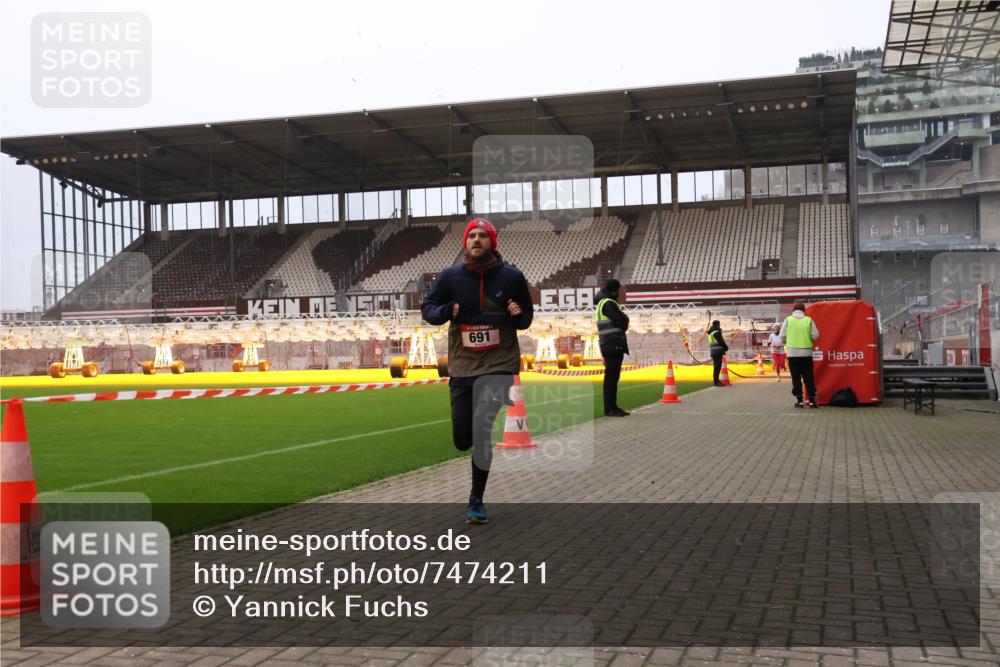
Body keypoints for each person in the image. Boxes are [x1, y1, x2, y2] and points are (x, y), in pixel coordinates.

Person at [421, 218, 533, 524]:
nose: (477, 239)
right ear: (465, 242)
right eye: (472, 235)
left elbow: (526, 319)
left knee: (482, 431)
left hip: (499, 365)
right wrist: (447, 311)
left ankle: (476, 500)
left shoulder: (512, 277)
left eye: (483, 235)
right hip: (463, 365)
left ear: (492, 242)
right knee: (462, 438)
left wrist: (517, 314)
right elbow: (428, 309)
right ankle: (475, 490)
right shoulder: (450, 277)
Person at [595, 278, 630, 417]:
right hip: (613, 343)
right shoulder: (608, 303)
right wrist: (625, 319)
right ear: (615, 290)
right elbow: (622, 321)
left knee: (612, 377)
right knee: (611, 378)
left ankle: (612, 407)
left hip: (608, 344)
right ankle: (610, 408)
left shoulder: (602, 302)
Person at [779, 301, 820, 408]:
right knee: (808, 377)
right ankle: (811, 401)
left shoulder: (788, 320)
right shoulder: (809, 320)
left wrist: (789, 340)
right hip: (806, 354)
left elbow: (782, 335)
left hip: (792, 354)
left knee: (796, 378)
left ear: (793, 311)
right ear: (803, 311)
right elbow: (816, 335)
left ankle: (800, 400)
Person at [706, 320, 728, 386]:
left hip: (713, 351)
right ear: (717, 324)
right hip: (718, 351)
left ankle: (716, 381)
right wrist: (726, 347)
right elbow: (721, 341)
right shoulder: (716, 332)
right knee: (717, 367)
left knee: (716, 367)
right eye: (719, 324)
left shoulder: (711, 333)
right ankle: (716, 382)